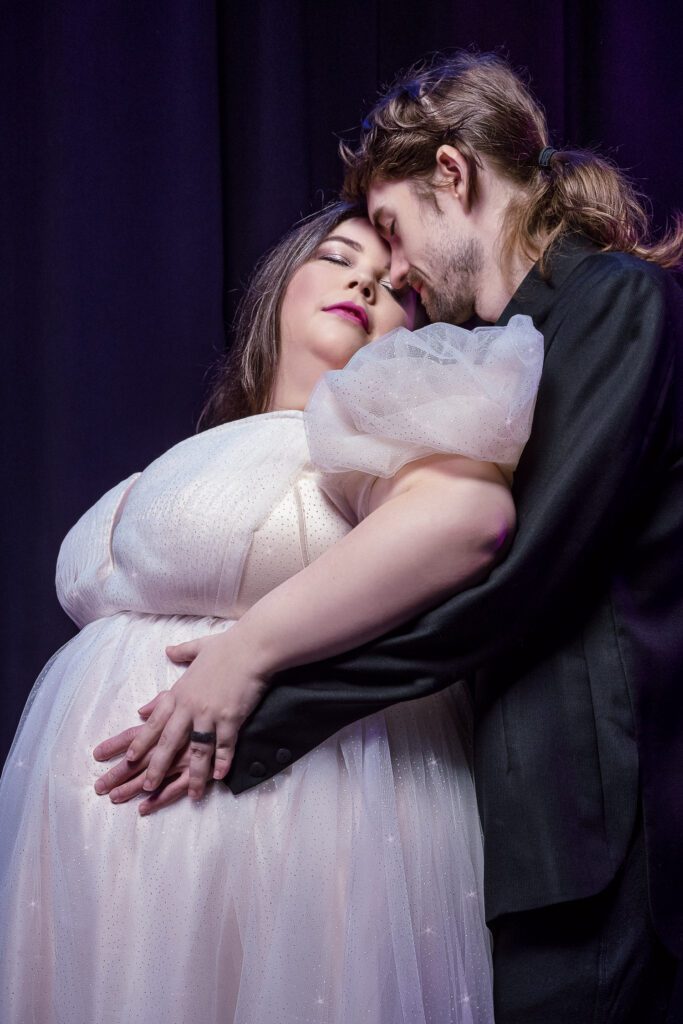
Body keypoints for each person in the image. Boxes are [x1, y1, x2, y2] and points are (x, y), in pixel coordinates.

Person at [146, 52, 680, 1023]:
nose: (393, 270)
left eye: (389, 230)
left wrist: (261, 697)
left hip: (603, 845)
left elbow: (517, 575)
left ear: (451, 172)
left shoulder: (612, 303)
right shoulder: (493, 352)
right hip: (523, 840)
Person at [0, 201, 543, 1023]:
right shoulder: (197, 452)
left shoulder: (376, 419)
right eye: (336, 255)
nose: (364, 279)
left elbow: (464, 524)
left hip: (301, 832)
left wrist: (245, 652)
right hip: (101, 869)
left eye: (396, 285)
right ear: (278, 290)